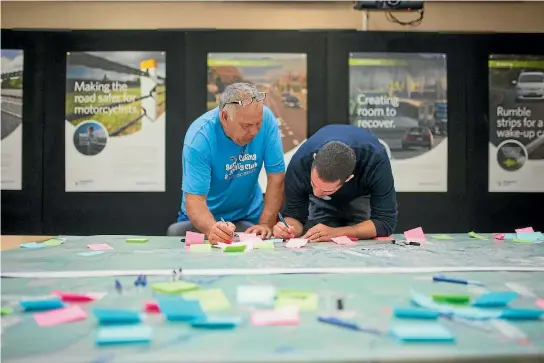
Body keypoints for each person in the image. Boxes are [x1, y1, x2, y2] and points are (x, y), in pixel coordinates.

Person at [170, 83, 285, 244]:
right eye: (246, 126)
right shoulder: (200, 137)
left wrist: (265, 223)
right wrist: (212, 228)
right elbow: (195, 200)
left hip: (249, 216)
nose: (254, 132)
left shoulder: (267, 120)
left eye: (258, 124)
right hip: (204, 217)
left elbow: (276, 178)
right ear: (224, 117)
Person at [273, 124, 397, 242]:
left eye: (327, 190)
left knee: (360, 245)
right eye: (313, 184)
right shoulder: (300, 163)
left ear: (349, 178)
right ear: (314, 158)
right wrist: (288, 228)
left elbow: (385, 222)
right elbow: (295, 217)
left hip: (360, 195)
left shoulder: (375, 160)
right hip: (322, 204)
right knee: (318, 238)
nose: (316, 193)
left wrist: (337, 232)